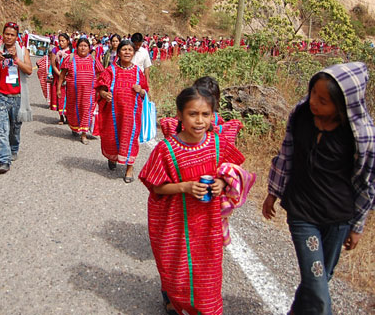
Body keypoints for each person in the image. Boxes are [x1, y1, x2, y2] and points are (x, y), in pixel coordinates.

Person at [262, 62, 375, 315]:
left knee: (320, 280)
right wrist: (273, 192)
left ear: (343, 105)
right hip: (302, 213)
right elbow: (287, 153)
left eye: (323, 100)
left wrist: (357, 226)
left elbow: (367, 184)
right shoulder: (301, 116)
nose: (314, 101)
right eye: (313, 93)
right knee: (318, 288)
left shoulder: (362, 136)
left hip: (338, 219)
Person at [139, 86, 245, 315]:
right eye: (192, 114)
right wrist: (184, 187)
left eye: (205, 115)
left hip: (208, 226)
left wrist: (223, 184)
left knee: (208, 277)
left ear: (212, 116)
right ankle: (175, 300)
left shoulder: (217, 144)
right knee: (177, 272)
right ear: (179, 115)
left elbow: (234, 170)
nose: (199, 121)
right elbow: (156, 185)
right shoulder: (166, 149)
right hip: (176, 226)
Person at [96, 39, 149, 182]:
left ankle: (129, 169)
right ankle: (112, 158)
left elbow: (145, 92)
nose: (127, 52)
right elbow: (100, 87)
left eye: (130, 50)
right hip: (112, 113)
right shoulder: (110, 70)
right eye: (124, 49)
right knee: (112, 136)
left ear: (134, 53)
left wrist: (141, 90)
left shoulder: (138, 72)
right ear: (118, 52)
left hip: (131, 114)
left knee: (130, 138)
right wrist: (103, 94)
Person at [0, 22, 33, 174]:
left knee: (15, 128)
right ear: (2, 35)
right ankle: (4, 160)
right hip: (2, 97)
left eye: (12, 35)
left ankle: (13, 148)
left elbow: (29, 70)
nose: (9, 37)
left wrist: (16, 60)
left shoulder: (23, 51)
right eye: (6, 34)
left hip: (18, 97)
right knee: (2, 129)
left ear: (17, 36)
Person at [57, 38, 104, 145]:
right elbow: (62, 74)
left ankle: (83, 134)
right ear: (76, 47)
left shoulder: (93, 59)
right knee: (73, 110)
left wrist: (98, 87)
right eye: (80, 45)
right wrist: (59, 88)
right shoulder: (70, 58)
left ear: (89, 48)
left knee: (86, 111)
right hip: (73, 93)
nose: (83, 48)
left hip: (89, 93)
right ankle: (74, 127)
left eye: (85, 46)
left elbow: (101, 73)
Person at [50, 33, 72, 124]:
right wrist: (60, 75)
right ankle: (61, 116)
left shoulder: (71, 51)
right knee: (60, 96)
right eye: (59, 41)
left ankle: (68, 116)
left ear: (68, 41)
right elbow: (53, 65)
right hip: (58, 77)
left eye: (63, 41)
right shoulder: (55, 50)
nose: (61, 43)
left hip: (69, 78)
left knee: (69, 97)